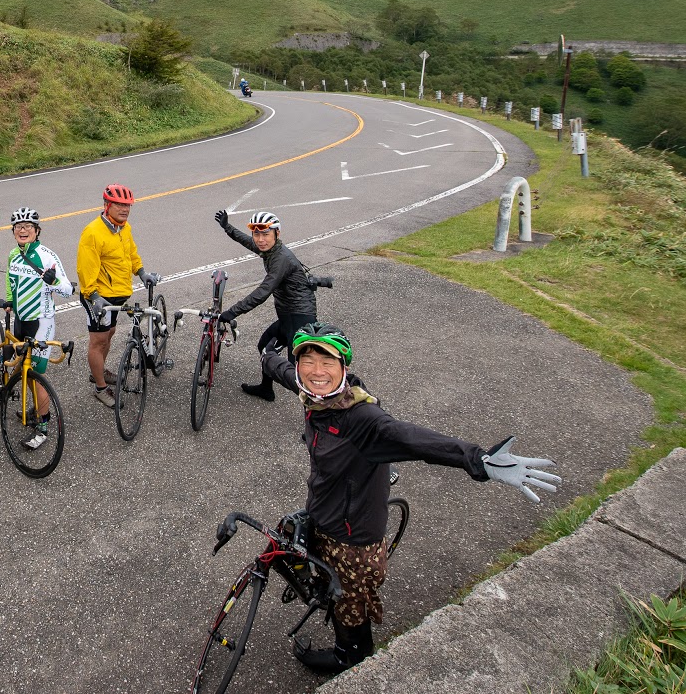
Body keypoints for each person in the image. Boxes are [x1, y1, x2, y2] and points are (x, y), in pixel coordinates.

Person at [260, 323, 560, 674]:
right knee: (324, 579)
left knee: (350, 603)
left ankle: (351, 657)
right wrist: (267, 355)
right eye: (307, 361)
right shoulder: (311, 392)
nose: (315, 371)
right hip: (325, 509)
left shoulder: (365, 419)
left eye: (327, 361)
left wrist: (478, 461)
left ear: (345, 367)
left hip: (353, 535)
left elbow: (414, 439)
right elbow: (282, 371)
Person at [213, 208, 322, 401]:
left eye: (266, 234)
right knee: (265, 346)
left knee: (299, 376)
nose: (260, 239)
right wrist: (227, 227)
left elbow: (263, 292)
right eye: (257, 234)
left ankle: (319, 421)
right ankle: (266, 388)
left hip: (300, 318)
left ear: (277, 234)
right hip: (287, 315)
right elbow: (247, 241)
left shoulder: (281, 259)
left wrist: (232, 312)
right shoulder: (270, 249)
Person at [5, 206, 73, 448]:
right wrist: (10, 301)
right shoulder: (14, 254)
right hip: (21, 320)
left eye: (28, 227)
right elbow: (10, 280)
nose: (23, 230)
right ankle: (29, 407)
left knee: (36, 376)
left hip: (41, 322)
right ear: (13, 231)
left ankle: (42, 426)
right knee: (20, 368)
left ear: (37, 231)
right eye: (18, 227)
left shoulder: (46, 256)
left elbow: (68, 289)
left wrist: (53, 280)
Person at [77, 183, 144, 408]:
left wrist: (142, 272)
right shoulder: (93, 232)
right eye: (119, 204)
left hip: (116, 295)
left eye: (128, 205)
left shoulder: (125, 228)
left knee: (110, 332)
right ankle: (100, 388)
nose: (124, 209)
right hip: (98, 297)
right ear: (107, 205)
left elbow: (131, 253)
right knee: (98, 341)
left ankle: (100, 372)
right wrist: (93, 296)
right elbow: (85, 269)